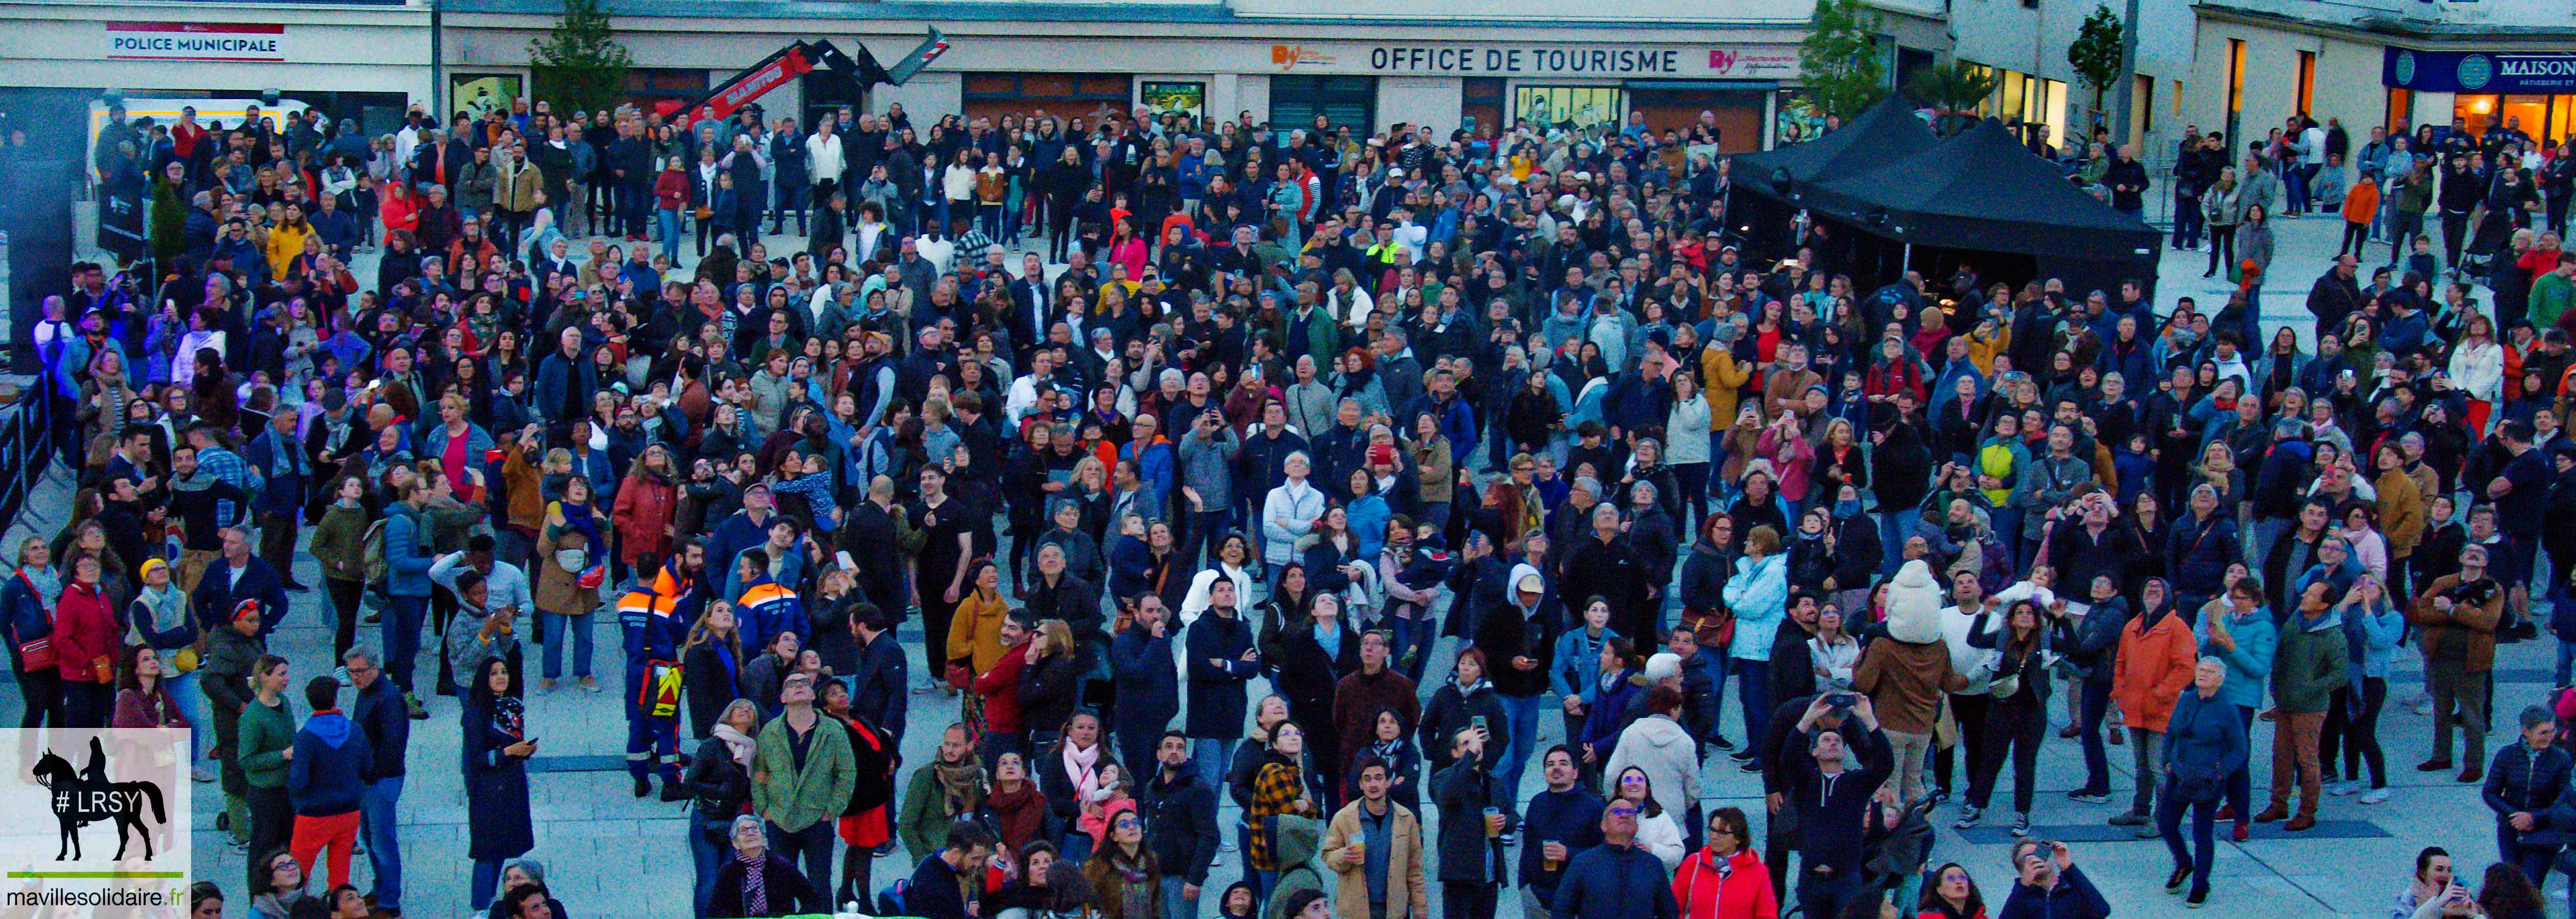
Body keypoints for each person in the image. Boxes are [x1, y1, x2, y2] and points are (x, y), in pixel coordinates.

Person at [1777, 693, 1893, 918]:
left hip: (1846, 879)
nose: (1832, 743)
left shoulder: (1857, 783)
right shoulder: (1807, 781)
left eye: (1837, 741)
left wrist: (1869, 720)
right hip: (1811, 878)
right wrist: (1809, 717)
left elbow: (1885, 763)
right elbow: (1788, 757)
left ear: (1843, 750)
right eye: (1826, 741)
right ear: (1815, 752)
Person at [753, 669, 858, 899]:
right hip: (779, 819)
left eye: (804, 683)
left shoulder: (833, 731)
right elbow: (760, 772)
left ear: (812, 695)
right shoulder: (770, 732)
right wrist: (764, 808)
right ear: (783, 698)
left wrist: (832, 810)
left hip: (818, 819)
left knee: (819, 886)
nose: (798, 686)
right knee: (780, 887)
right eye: (791, 684)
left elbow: (847, 773)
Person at [2156, 657, 2245, 907]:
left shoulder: (2227, 709)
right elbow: (2172, 733)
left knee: (2202, 833)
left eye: (2210, 671)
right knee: (2166, 823)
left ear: (2221, 679)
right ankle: (2184, 863)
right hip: (2180, 775)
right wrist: (2167, 762)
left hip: (2208, 780)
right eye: (2201, 670)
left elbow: (2239, 748)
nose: (2203, 674)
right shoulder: (2186, 699)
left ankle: (2200, 885)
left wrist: (2220, 772)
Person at [2413, 543, 2504, 781]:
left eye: (2480, 554)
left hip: (2472, 662)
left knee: (2472, 715)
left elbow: (2488, 622)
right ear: (2462, 557)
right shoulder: (2444, 583)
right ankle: (2441, 756)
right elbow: (2421, 611)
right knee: (2441, 711)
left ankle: (2474, 764)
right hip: (2440, 658)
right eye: (2469, 552)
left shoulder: (2492, 589)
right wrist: (2460, 613)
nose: (2474, 556)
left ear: (2485, 563)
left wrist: (2452, 610)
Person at [464, 656, 538, 908]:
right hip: (488, 789)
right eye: (494, 673)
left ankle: (492, 901)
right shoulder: (476, 712)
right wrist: (508, 752)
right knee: (486, 850)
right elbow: (476, 758)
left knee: (503, 848)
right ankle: (479, 908)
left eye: (504, 672)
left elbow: (515, 744)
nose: (501, 677)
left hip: (512, 784)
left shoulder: (513, 707)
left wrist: (525, 750)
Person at [286, 675, 369, 892]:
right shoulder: (355, 730)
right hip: (349, 812)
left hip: (313, 815)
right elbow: (367, 769)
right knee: (340, 875)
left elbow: (298, 782)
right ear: (335, 699)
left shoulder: (305, 737)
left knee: (297, 875)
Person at [1549, 793, 1681, 919]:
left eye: (1630, 813)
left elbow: (1670, 912)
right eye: (1617, 812)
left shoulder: (1652, 865)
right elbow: (1562, 909)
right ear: (1604, 825)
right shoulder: (1583, 863)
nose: (1624, 815)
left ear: (1636, 826)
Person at [1431, 723, 1510, 919]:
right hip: (1460, 875)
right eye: (1467, 743)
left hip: (1489, 873)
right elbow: (1447, 796)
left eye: (1476, 742)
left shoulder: (1494, 781)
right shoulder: (1443, 778)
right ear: (1455, 753)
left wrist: (1506, 821)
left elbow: (1512, 815)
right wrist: (1470, 757)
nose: (1474, 747)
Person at [2486, 705, 2571, 885]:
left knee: (2531, 883)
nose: (2549, 737)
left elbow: (2564, 799)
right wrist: (2514, 816)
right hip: (2511, 828)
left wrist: (2534, 818)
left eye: (2552, 731)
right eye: (2543, 733)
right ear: (2526, 731)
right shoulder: (2507, 755)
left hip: (2544, 830)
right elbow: (2490, 792)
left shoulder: (2561, 759)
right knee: (2513, 883)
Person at [238, 653, 295, 892]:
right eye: (281, 674)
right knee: (264, 848)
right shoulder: (253, 716)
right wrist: (282, 755)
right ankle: (258, 896)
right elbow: (246, 759)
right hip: (265, 792)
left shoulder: (285, 702)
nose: (287, 679)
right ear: (264, 676)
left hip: (287, 788)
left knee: (286, 846)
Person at [710, 812, 825, 918]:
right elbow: (715, 911)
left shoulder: (783, 866)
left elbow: (812, 900)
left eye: (755, 829)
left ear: (764, 838)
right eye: (743, 831)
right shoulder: (728, 871)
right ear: (735, 843)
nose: (750, 833)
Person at [1671, 807, 1775, 919]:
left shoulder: (1758, 871)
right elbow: (1673, 908)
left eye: (1722, 833)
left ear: (1738, 838)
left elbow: (1767, 915)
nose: (1715, 837)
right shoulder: (1693, 863)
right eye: (1713, 830)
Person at [1993, 841, 2109, 919]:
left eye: (2039, 853)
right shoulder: (2022, 896)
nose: (2036, 860)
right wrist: (2023, 885)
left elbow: (2102, 910)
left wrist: (2069, 868)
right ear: (2021, 868)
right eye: (2028, 858)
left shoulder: (2071, 886)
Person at [909, 822, 997, 919]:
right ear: (956, 852)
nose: (978, 864)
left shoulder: (931, 861)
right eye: (975, 858)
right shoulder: (939, 888)